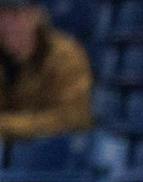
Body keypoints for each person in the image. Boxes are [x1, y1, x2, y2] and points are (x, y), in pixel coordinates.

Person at [0, 1, 92, 140]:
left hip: (53, 150)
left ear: (35, 16)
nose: (7, 25)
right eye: (1, 16)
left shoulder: (66, 56)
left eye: (16, 15)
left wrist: (8, 125)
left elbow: (73, 117)